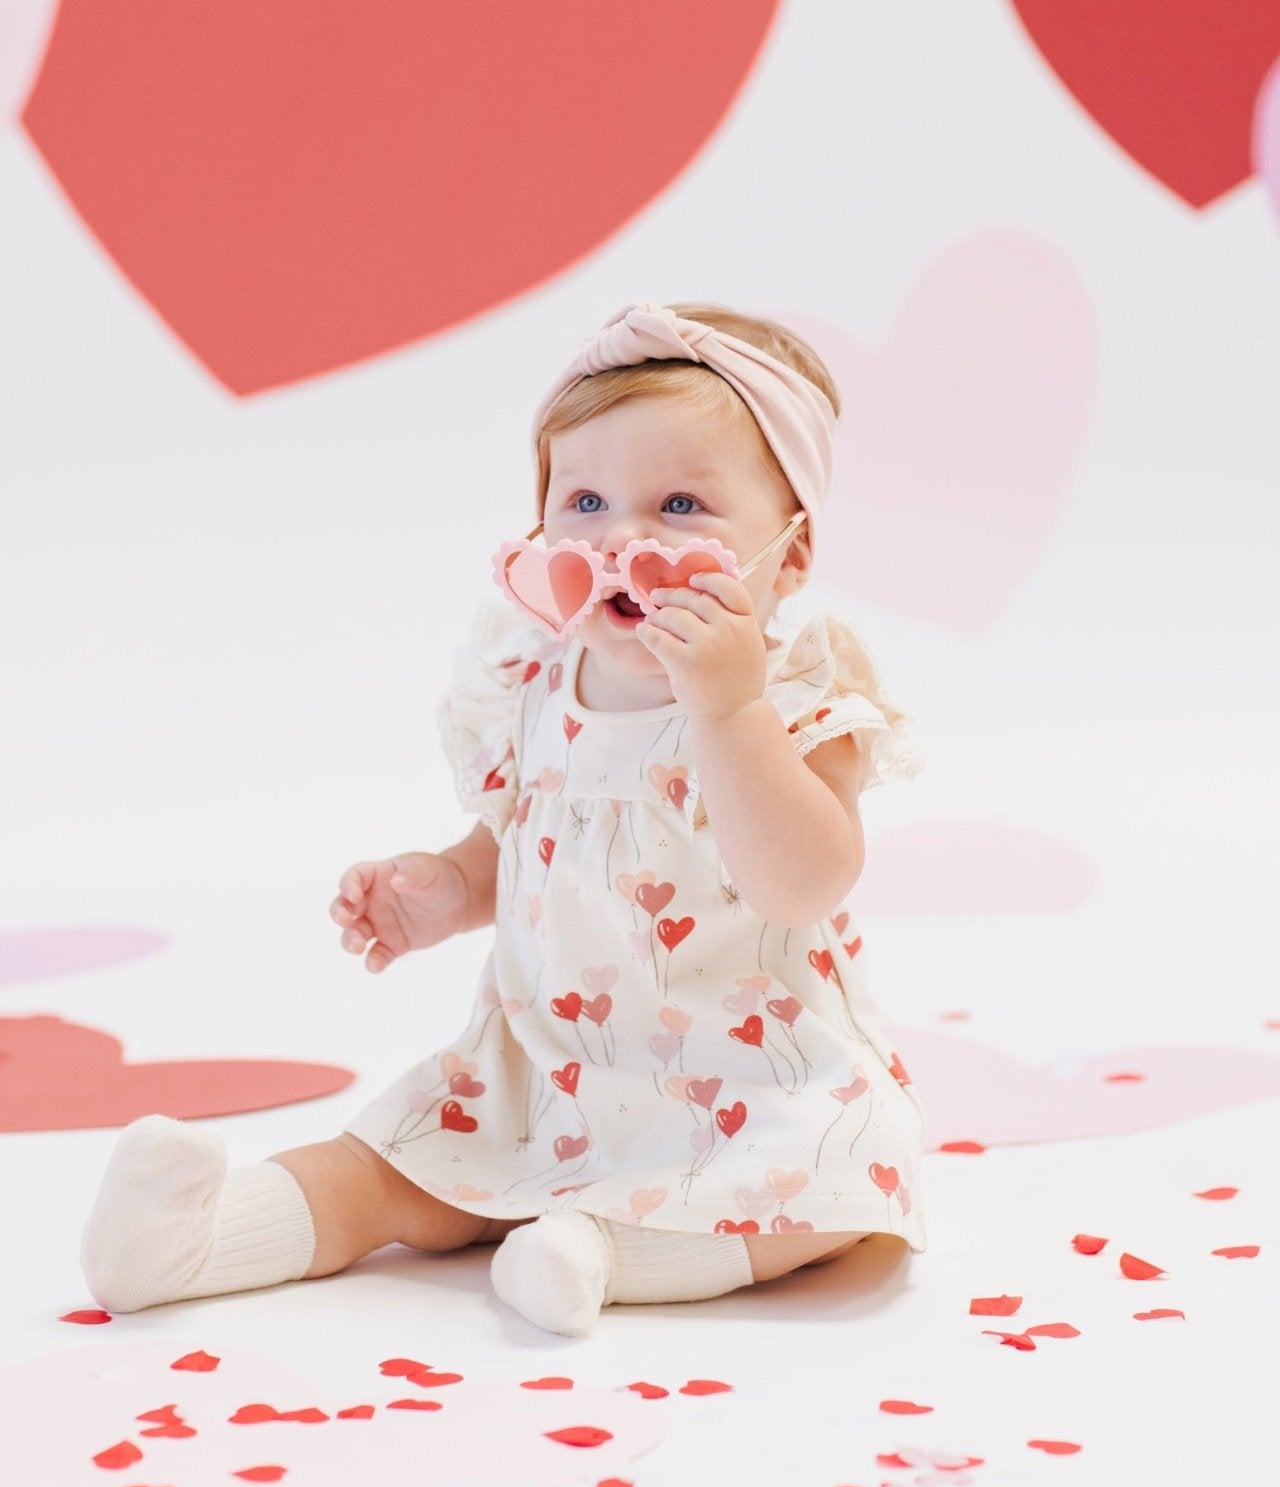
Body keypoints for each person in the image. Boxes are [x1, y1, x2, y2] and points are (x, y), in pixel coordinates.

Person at [81, 301, 927, 1337]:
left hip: (746, 1079)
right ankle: (190, 1238)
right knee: (399, 1164)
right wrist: (443, 888)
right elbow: (525, 845)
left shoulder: (792, 697)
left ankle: (599, 1250)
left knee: (834, 1187)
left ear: (787, 556)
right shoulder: (535, 679)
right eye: (585, 500)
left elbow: (802, 885)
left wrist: (729, 710)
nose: (621, 539)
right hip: (545, 1069)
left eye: (679, 505)